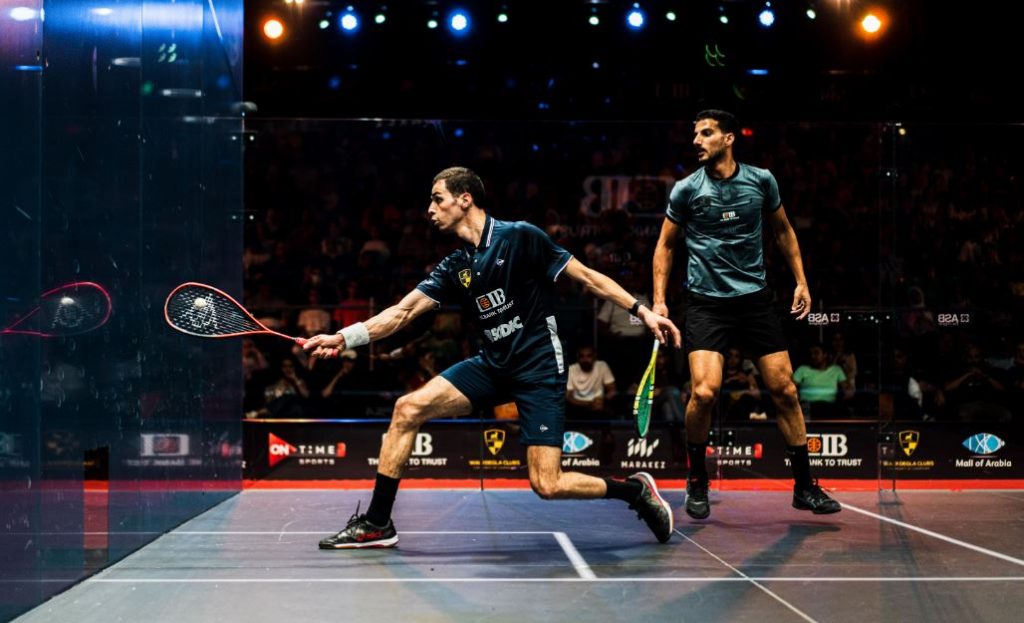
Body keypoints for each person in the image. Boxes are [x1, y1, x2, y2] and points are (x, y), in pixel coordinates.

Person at [304, 166, 682, 549]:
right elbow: (402, 312)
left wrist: (642, 311)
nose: (429, 209)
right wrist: (343, 337)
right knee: (407, 409)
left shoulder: (519, 236)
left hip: (538, 367)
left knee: (547, 484)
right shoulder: (456, 265)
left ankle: (634, 491)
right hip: (493, 365)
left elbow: (586, 276)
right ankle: (377, 523)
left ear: (464, 199)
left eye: (437, 199)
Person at [651, 109, 841, 520]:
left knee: (785, 390)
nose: (696, 140)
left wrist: (802, 282)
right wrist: (660, 300)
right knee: (704, 392)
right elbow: (665, 245)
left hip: (755, 301)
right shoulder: (686, 189)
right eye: (695, 134)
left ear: (729, 138)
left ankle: (804, 487)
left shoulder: (761, 180)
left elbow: (783, 230)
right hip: (706, 303)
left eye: (706, 133)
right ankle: (697, 478)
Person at [565, 345, 617, 419]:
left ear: (594, 356)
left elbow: (612, 390)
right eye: (582, 356)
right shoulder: (571, 369)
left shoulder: (602, 366)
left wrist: (603, 400)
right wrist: (588, 404)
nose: (585, 359)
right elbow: (568, 396)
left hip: (598, 406)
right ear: (577, 357)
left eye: (589, 356)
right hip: (577, 406)